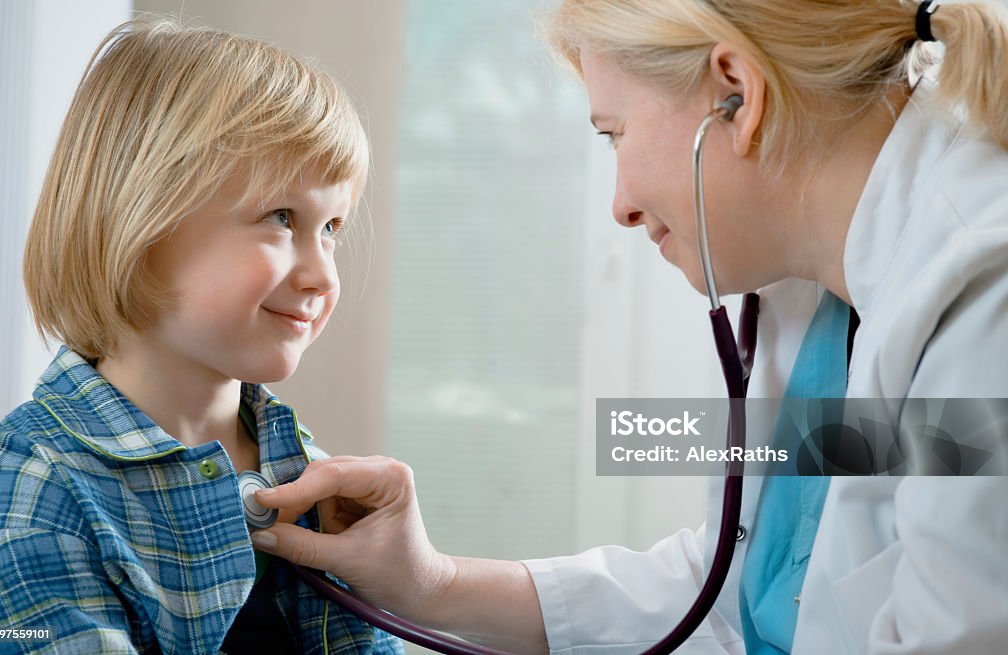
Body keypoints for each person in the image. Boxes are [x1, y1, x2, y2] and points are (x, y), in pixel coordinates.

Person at [246, 1, 1008, 654]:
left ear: (736, 96)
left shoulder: (983, 295)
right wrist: (431, 584)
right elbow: (731, 592)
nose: (623, 205)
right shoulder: (809, 295)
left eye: (613, 133)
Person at [0, 19, 403, 655]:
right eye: (281, 217)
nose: (323, 275)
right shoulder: (33, 478)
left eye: (332, 228)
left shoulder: (307, 473)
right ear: (140, 220)